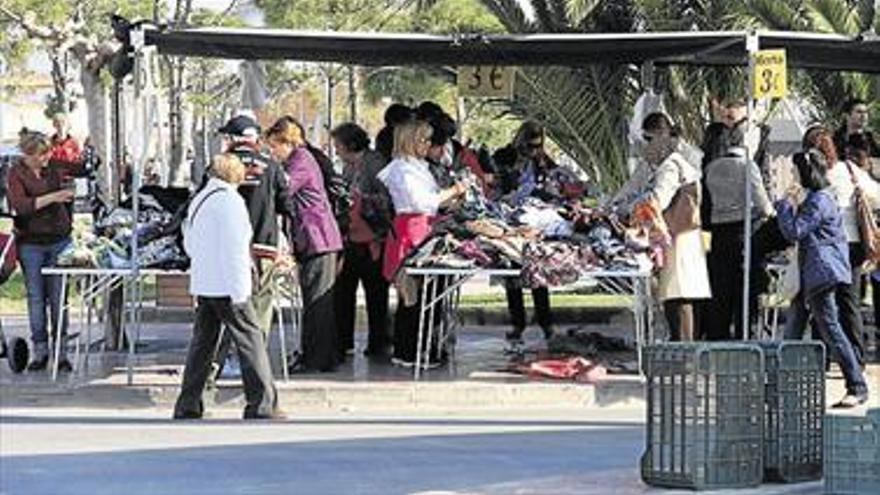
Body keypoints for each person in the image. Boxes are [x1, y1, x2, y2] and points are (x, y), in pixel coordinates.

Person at [173, 153, 281, 420]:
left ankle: (189, 402)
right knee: (251, 340)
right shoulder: (231, 202)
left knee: (203, 344)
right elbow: (236, 249)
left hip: (205, 282)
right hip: (228, 284)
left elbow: (189, 242)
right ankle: (261, 403)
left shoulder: (201, 199)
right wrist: (240, 288)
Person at [776, 150, 868, 408]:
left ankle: (857, 385)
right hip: (813, 273)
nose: (792, 176)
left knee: (831, 328)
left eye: (795, 171)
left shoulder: (819, 201)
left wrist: (784, 204)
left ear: (806, 172)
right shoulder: (819, 198)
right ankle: (774, 390)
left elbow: (794, 231)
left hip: (820, 273)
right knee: (793, 330)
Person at [210, 113, 295, 377]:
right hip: (264, 248)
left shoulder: (220, 165)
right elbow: (286, 205)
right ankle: (255, 367)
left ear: (233, 139)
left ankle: (219, 365)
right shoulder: (271, 165)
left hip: (228, 249)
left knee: (226, 308)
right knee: (260, 307)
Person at [377, 120, 466, 366]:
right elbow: (420, 202)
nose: (428, 145)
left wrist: (453, 198)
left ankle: (421, 348)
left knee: (427, 294)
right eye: (424, 140)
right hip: (412, 233)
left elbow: (432, 202)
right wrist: (452, 192)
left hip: (424, 228)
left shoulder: (418, 167)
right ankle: (410, 351)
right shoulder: (402, 170)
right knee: (414, 296)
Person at [265, 116, 343, 373]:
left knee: (317, 302)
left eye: (273, 146)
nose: (272, 152)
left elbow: (283, 187)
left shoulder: (300, 160)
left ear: (285, 141)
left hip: (317, 237)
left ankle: (316, 358)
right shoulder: (301, 158)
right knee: (318, 300)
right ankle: (325, 355)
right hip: (316, 237)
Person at [6, 132, 79, 372]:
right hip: (31, 242)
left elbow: (79, 169)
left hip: (59, 239)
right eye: (41, 154)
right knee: (36, 298)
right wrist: (54, 197)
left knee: (59, 299)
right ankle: (40, 351)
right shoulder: (16, 173)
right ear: (28, 155)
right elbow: (21, 206)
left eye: (48, 153)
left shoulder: (53, 168)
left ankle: (62, 352)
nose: (46, 158)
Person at [635, 113, 710, 340]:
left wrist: (637, 214)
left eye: (648, 140)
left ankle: (684, 354)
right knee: (682, 296)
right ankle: (686, 352)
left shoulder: (671, 166)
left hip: (678, 237)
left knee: (678, 297)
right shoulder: (680, 160)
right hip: (687, 236)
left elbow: (658, 200)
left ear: (660, 136)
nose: (645, 146)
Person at [702, 123, 774, 340]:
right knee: (744, 289)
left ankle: (718, 337)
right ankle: (745, 335)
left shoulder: (711, 168)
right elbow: (763, 204)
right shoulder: (747, 166)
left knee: (721, 290)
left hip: (718, 233)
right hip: (743, 233)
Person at [814, 125, 877, 366]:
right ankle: (856, 356)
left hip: (824, 247)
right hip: (851, 245)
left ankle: (823, 356)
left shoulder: (813, 173)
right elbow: (877, 194)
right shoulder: (849, 170)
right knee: (849, 303)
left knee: (821, 303)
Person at [330, 122, 392, 358]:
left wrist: (360, 200)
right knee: (344, 292)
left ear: (350, 144)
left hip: (372, 239)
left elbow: (385, 199)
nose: (336, 150)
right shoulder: (349, 167)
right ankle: (344, 341)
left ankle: (379, 342)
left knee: (376, 293)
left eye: (338, 145)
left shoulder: (374, 164)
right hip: (353, 238)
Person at [49, 113, 81, 177]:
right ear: (54, 125)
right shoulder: (50, 142)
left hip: (71, 176)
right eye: (57, 123)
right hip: (54, 177)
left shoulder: (74, 142)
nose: (60, 126)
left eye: (63, 123)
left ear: (67, 125)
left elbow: (78, 159)